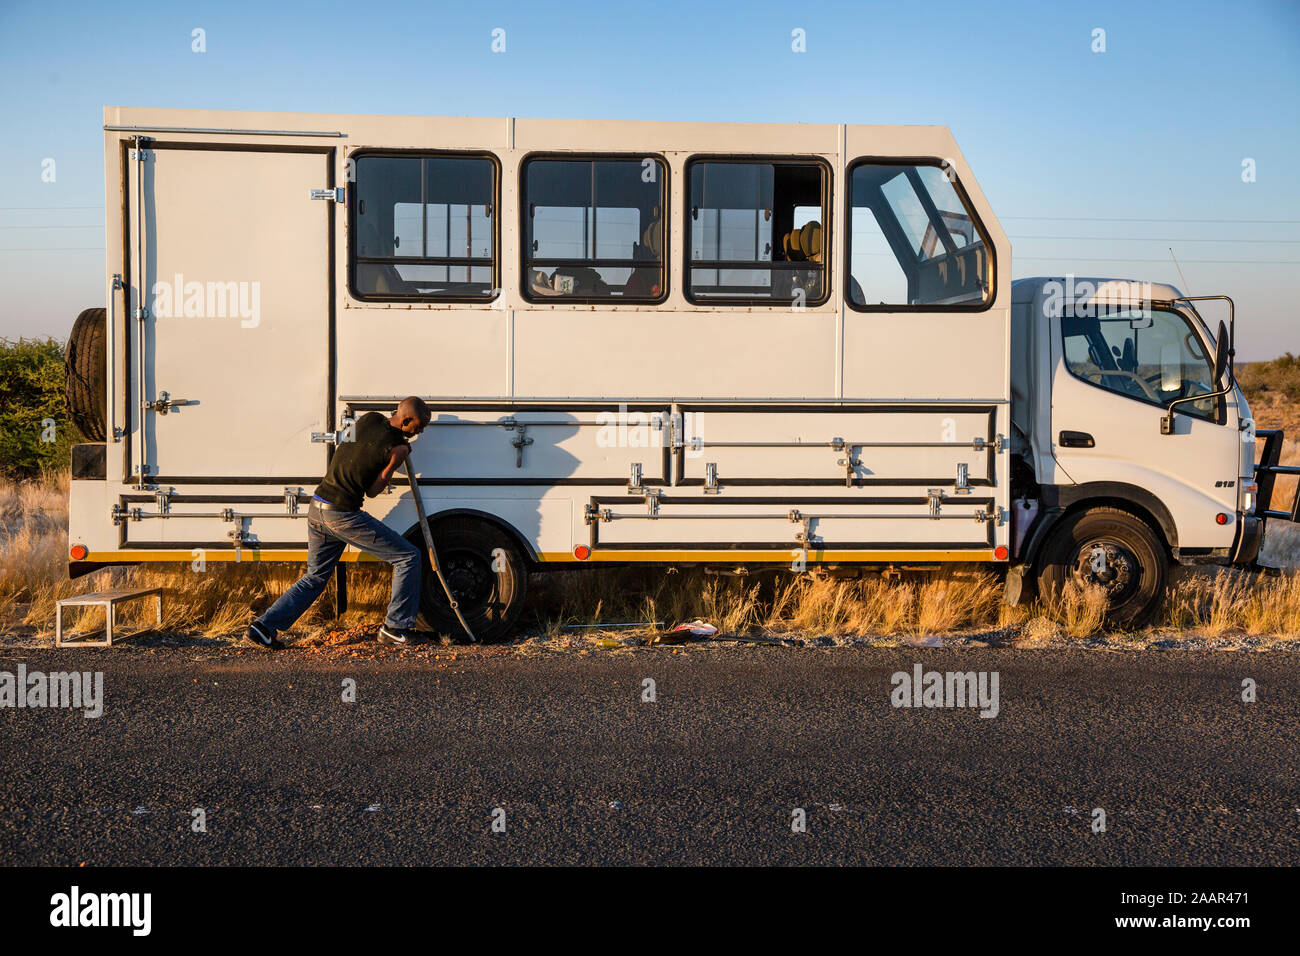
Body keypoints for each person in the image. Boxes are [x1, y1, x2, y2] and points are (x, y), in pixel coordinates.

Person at [244, 396, 432, 650]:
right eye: (417, 427)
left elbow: (357, 447)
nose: (419, 433)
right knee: (408, 557)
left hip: (318, 505)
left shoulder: (370, 418)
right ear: (406, 420)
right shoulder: (397, 448)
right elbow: (374, 490)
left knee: (315, 577)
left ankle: (262, 628)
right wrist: (392, 463)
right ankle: (396, 628)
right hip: (342, 515)